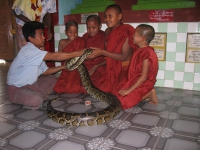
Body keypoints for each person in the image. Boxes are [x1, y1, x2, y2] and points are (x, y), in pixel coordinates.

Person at [6, 21, 85, 109]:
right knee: (36, 100)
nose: (44, 37)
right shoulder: (28, 51)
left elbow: (46, 72)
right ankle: (31, 96)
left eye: (43, 34)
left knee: (53, 79)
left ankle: (35, 93)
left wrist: (63, 67)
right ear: (31, 38)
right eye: (40, 35)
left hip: (32, 84)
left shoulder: (37, 52)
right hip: (17, 88)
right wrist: (78, 53)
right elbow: (55, 56)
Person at [87, 4, 136, 93]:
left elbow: (123, 56)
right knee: (98, 88)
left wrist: (102, 52)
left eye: (110, 16)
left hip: (124, 69)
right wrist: (97, 65)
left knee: (120, 95)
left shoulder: (125, 31)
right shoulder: (107, 31)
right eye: (105, 16)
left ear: (120, 16)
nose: (107, 19)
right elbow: (109, 56)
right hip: (111, 68)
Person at [114, 24, 158, 110]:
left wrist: (129, 90)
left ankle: (150, 93)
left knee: (123, 103)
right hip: (136, 80)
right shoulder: (140, 50)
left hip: (145, 83)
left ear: (142, 38)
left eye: (135, 34)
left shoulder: (147, 53)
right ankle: (143, 94)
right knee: (116, 94)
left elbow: (144, 77)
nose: (132, 36)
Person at [53, 20, 86, 94]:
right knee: (57, 88)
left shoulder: (80, 41)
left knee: (73, 89)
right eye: (70, 32)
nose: (73, 34)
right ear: (65, 32)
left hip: (76, 69)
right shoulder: (62, 42)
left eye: (75, 32)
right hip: (65, 69)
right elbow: (59, 57)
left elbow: (82, 57)